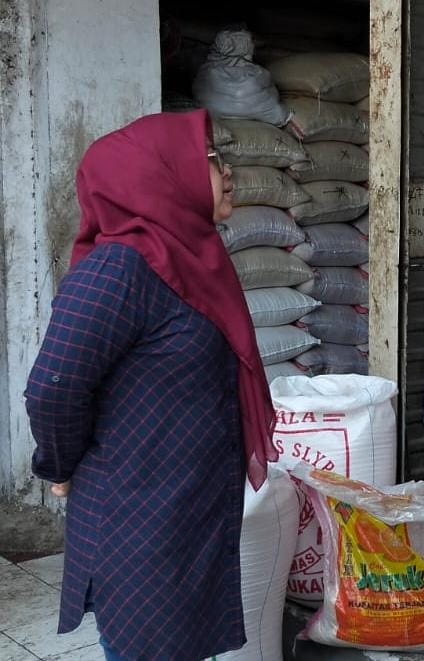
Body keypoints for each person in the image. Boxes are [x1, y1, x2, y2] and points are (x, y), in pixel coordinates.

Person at [25, 110, 277, 660]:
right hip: (142, 517)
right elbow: (53, 385)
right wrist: (60, 462)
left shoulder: (194, 259)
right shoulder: (119, 268)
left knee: (183, 645)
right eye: (210, 160)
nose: (227, 171)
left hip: (187, 507)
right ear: (161, 175)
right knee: (151, 646)